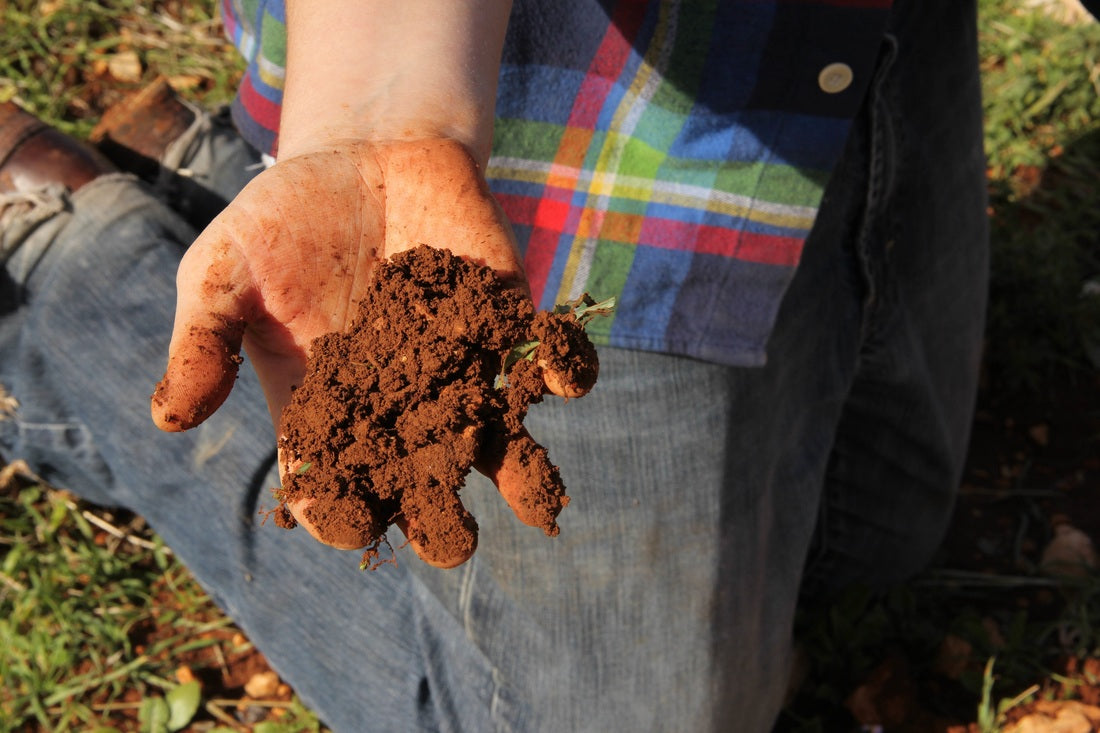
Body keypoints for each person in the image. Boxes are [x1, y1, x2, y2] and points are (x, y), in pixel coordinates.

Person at [0, 0, 1011, 729]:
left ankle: (221, 177)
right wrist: (378, 119)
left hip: (856, 51)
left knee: (878, 531)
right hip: (552, 119)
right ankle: (73, 260)